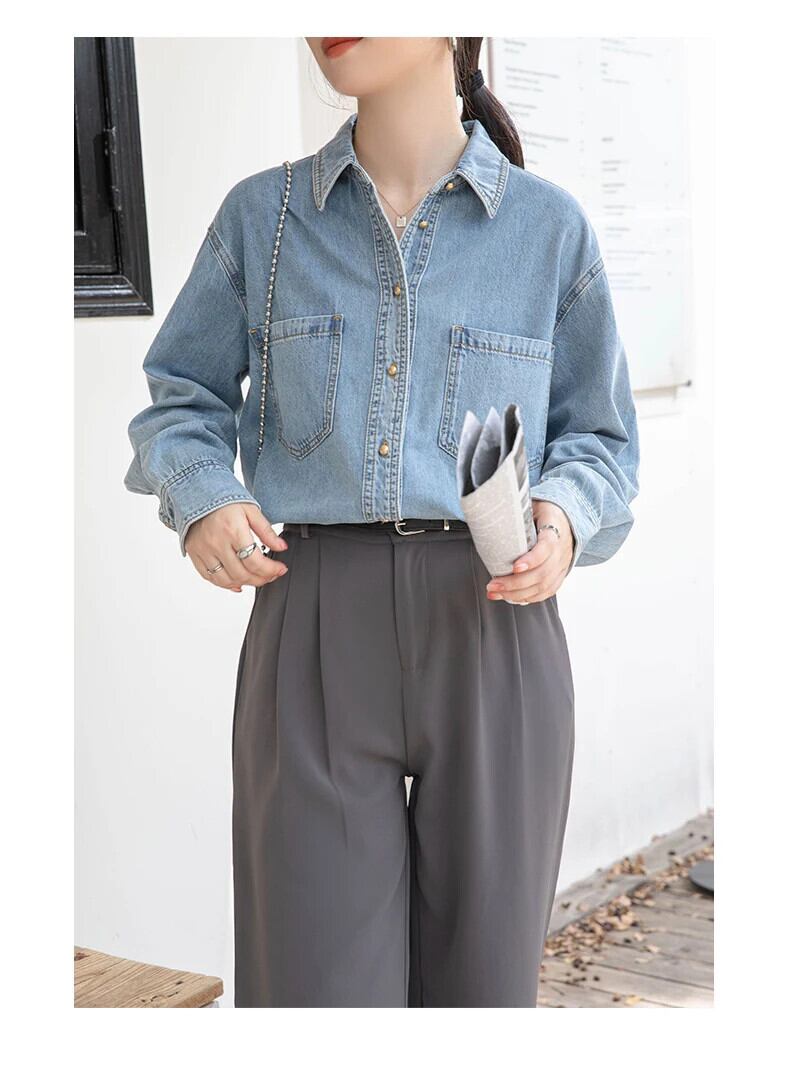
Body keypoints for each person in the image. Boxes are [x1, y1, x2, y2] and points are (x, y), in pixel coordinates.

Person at [124, 36, 640, 1007]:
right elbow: (179, 397)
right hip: (313, 624)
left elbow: (601, 438)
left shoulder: (548, 230)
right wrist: (203, 497)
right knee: (314, 993)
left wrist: (564, 518)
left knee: (483, 996)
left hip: (494, 625)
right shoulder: (264, 219)